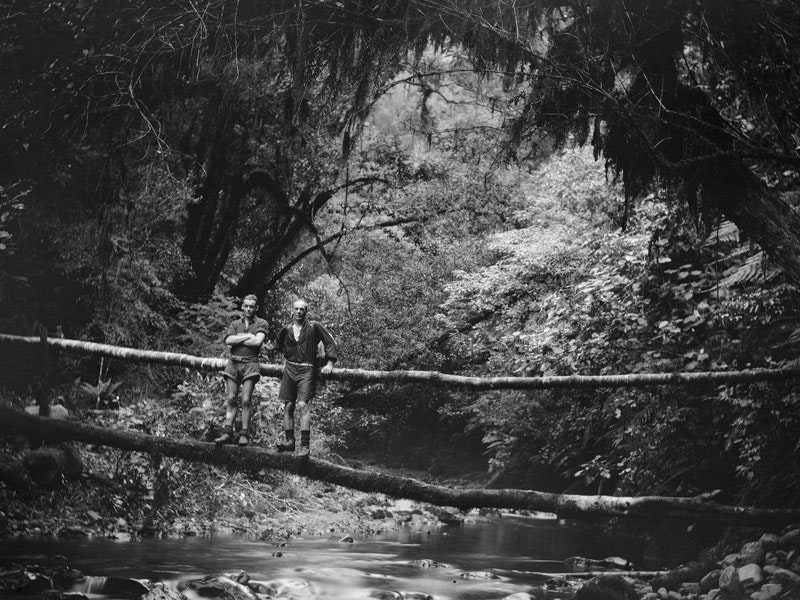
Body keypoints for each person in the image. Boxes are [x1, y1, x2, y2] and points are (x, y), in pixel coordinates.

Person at [273, 299, 337, 457]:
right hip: (289, 369)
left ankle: (305, 446)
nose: (299, 311)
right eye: (296, 308)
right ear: (292, 310)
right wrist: (283, 360)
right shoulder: (287, 328)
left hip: (307, 369)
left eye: (302, 309)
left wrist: (329, 363)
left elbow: (330, 342)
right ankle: (289, 442)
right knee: (288, 406)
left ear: (306, 311)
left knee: (302, 405)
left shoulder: (314, 327)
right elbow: (277, 345)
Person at [214, 294, 268, 447]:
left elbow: (258, 341)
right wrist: (248, 336)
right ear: (242, 307)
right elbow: (228, 340)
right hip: (233, 363)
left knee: (246, 400)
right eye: (246, 306)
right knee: (231, 398)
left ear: (256, 308)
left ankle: (244, 434)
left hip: (250, 363)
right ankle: (227, 432)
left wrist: (239, 338)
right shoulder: (235, 323)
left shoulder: (261, 323)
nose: (249, 309)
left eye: (252, 306)